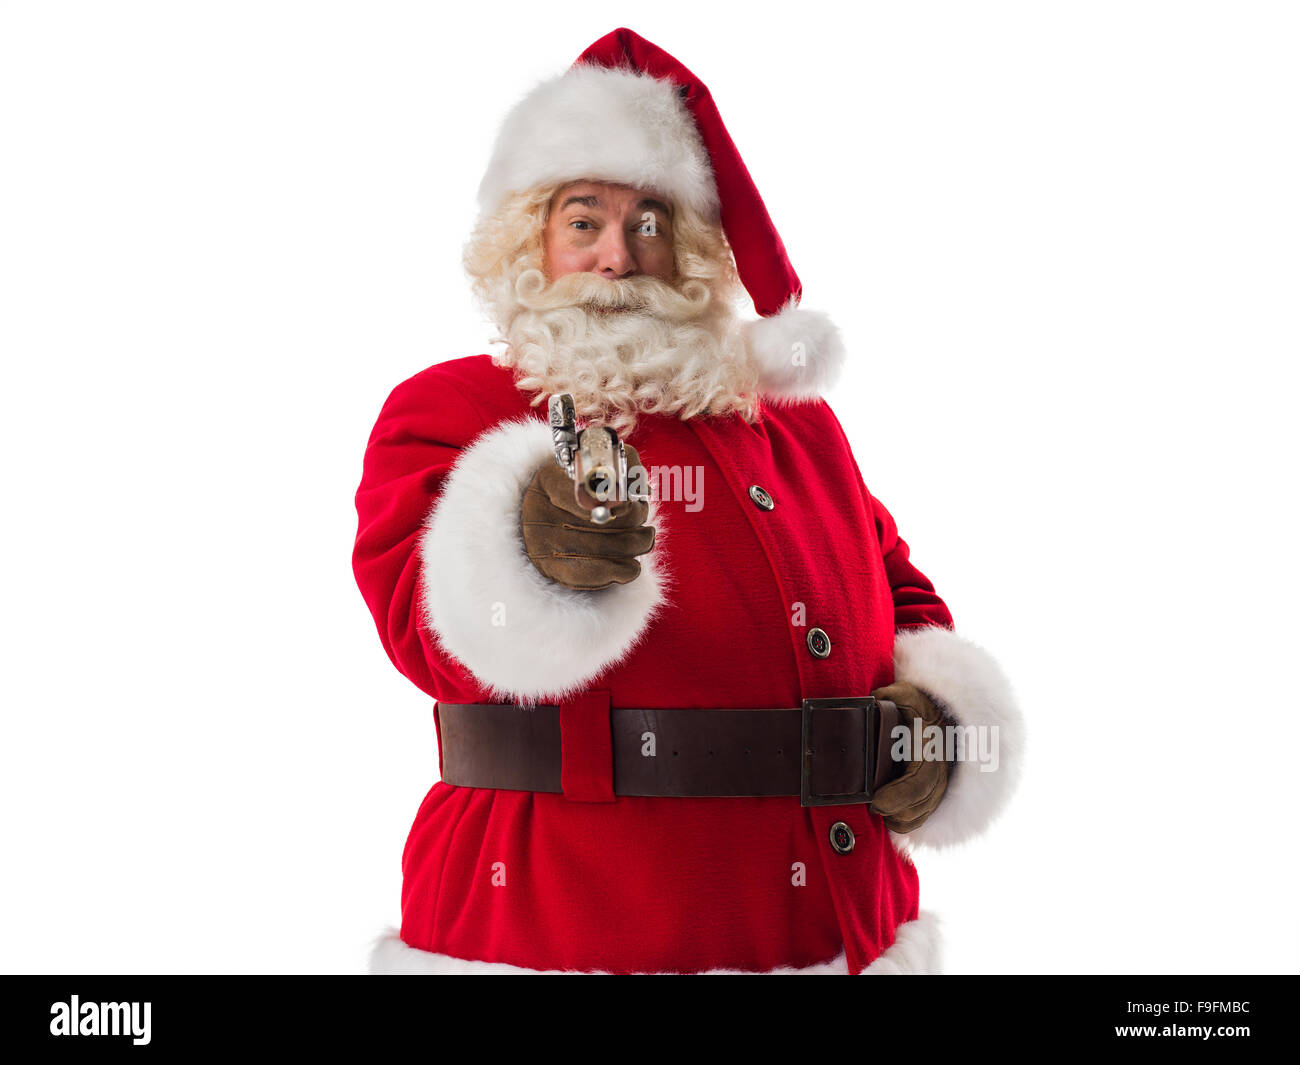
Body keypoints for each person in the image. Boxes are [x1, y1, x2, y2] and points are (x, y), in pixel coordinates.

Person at [352, 27, 1023, 974]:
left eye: (649, 224)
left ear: (694, 253)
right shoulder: (450, 410)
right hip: (569, 928)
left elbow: (899, 593)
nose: (617, 257)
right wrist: (534, 546)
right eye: (583, 221)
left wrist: (930, 724)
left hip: (841, 928)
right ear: (531, 242)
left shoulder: (795, 427)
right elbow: (424, 632)